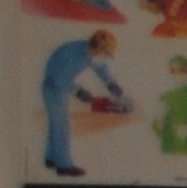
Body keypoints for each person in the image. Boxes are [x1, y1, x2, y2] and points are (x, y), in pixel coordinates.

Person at [38, 27, 128, 176]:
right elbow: (59, 78)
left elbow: (101, 68)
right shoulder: (75, 54)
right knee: (61, 125)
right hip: (52, 86)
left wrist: (111, 83)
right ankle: (64, 165)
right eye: (106, 53)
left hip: (61, 85)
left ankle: (51, 157)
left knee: (56, 123)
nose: (105, 56)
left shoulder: (90, 53)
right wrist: (79, 92)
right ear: (98, 48)